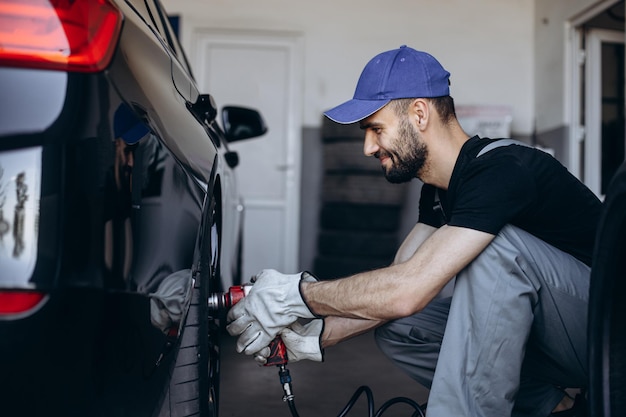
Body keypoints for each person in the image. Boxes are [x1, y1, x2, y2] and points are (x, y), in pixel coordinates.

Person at [226, 45, 602, 417]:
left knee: (498, 246)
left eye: (376, 129)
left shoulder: (503, 169)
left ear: (419, 113)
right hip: (557, 335)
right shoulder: (439, 190)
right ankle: (553, 407)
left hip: (606, 330)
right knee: (401, 329)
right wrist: (316, 336)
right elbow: (397, 285)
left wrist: (296, 295)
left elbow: (408, 290)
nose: (367, 147)